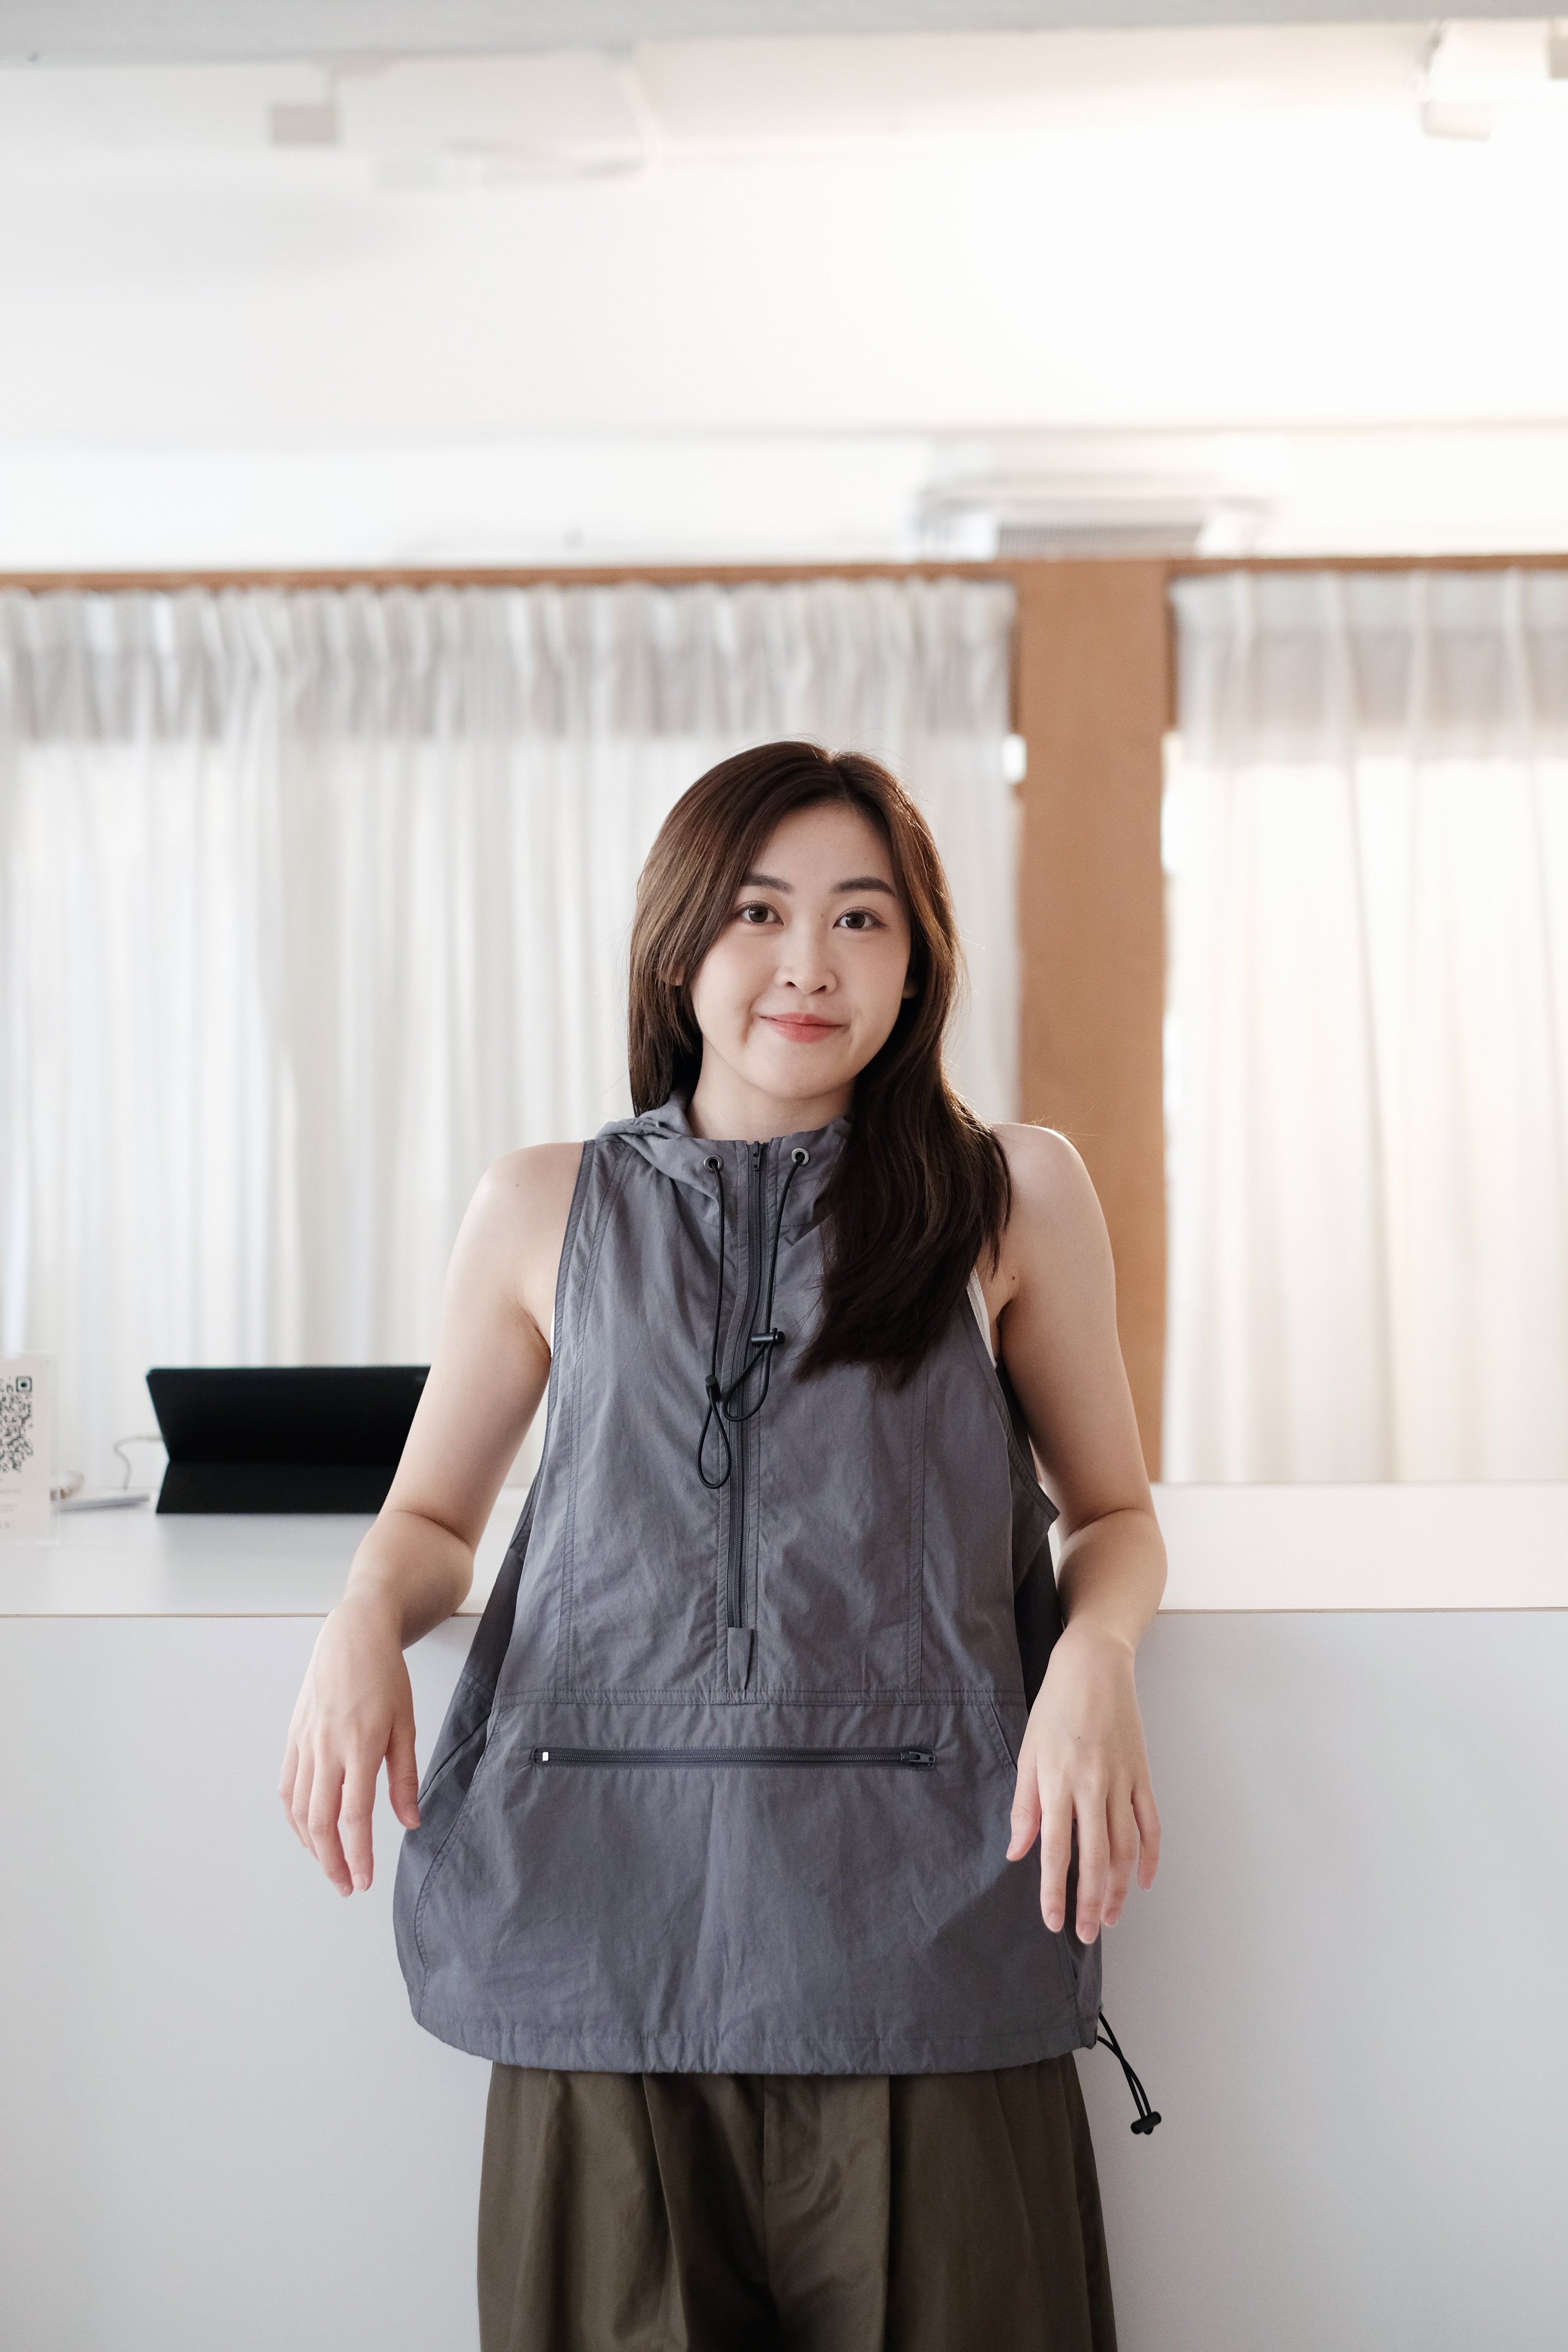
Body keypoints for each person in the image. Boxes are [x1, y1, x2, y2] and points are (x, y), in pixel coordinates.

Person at [281, 740, 1165, 2352]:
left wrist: (1095, 1659)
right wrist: (360, 1620)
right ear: (680, 938)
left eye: (862, 918)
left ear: (918, 962)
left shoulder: (1010, 1195)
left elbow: (1114, 1514)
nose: (810, 963)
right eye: (761, 911)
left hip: (932, 1942)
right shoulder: (539, 1205)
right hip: (601, 1943)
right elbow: (432, 1522)